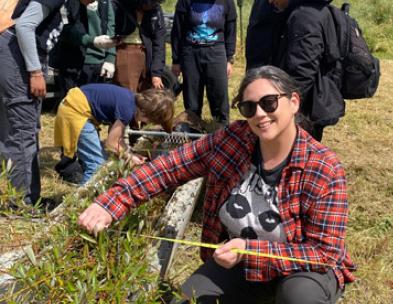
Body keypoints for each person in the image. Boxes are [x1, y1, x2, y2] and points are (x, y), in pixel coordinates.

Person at [78, 66, 356, 303]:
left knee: (299, 295)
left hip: (301, 271)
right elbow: (169, 168)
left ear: (293, 102)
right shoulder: (233, 140)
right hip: (242, 265)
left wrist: (251, 250)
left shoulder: (323, 167)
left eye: (269, 103)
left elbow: (323, 253)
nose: (259, 114)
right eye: (249, 107)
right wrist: (111, 203)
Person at [0, 0, 113, 204]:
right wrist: (35, 71)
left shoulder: (71, 4)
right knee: (23, 131)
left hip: (17, 54)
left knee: (18, 130)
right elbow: (24, 26)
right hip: (17, 56)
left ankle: (23, 197)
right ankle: (23, 203)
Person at [246, 0, 344, 142]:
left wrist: (280, 106)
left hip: (299, 107)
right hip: (280, 95)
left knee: (296, 154)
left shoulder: (304, 16)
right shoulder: (290, 12)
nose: (269, 1)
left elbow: (302, 72)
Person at [54, 83, 174, 185]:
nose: (148, 123)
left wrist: (131, 153)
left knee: (100, 161)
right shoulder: (127, 109)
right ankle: (80, 202)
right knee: (97, 165)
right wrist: (129, 156)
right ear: (145, 113)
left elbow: (118, 139)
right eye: (151, 121)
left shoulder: (130, 101)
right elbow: (111, 143)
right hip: (76, 111)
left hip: (74, 104)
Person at [171, 0, 237, 126]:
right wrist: (176, 60)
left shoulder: (227, 2)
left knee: (219, 93)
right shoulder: (185, 2)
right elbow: (177, 32)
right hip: (190, 52)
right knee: (192, 96)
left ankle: (221, 129)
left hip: (216, 51)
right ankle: (192, 128)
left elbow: (231, 32)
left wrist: (229, 59)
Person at [49, 0, 117, 100]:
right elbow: (65, 29)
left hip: (99, 64)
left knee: (94, 106)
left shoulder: (105, 3)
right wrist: (92, 40)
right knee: (72, 106)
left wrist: (110, 59)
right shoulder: (66, 3)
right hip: (73, 64)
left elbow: (111, 29)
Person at [111, 0, 167, 92]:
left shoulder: (156, 9)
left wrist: (156, 73)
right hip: (125, 51)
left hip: (148, 54)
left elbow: (159, 41)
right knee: (128, 94)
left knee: (145, 97)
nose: (150, 5)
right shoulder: (119, 6)